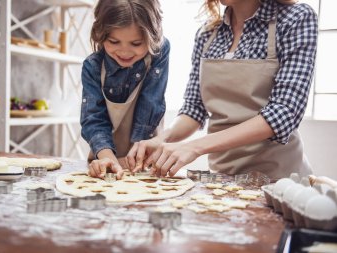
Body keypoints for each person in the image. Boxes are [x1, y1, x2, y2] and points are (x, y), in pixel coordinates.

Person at [127, 0, 318, 181]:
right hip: (223, 178)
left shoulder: (296, 19)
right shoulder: (207, 34)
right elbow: (194, 109)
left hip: (277, 179)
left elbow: (284, 114)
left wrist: (195, 147)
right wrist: (162, 139)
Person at [80, 0, 170, 180]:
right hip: (105, 159)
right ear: (101, 35)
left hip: (144, 159)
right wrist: (109, 160)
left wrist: (137, 155)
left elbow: (151, 103)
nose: (125, 52)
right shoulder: (93, 66)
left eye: (136, 44)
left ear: (152, 37)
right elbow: (93, 119)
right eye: (114, 41)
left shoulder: (158, 53)